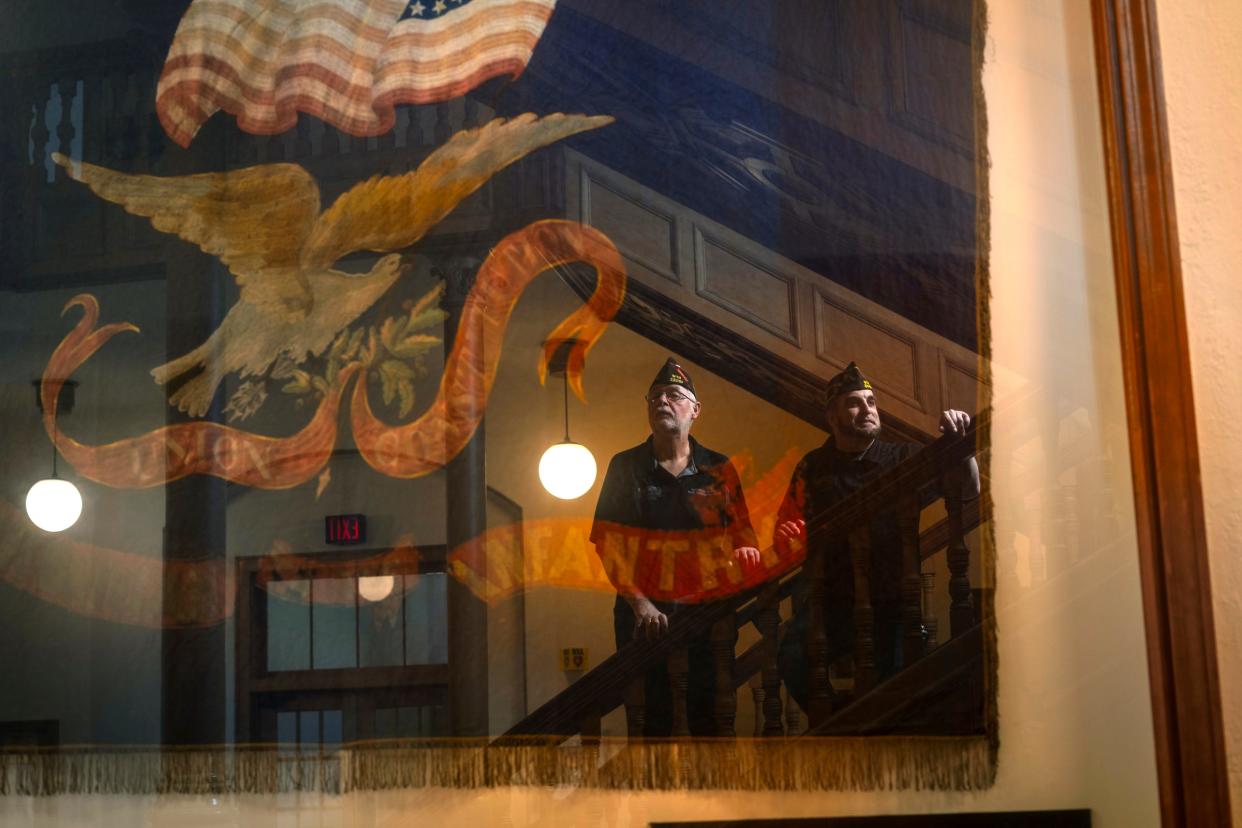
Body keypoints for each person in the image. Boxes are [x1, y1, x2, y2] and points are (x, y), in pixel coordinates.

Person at [774, 361, 979, 710]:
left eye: (871, 401)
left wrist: (964, 447)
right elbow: (784, 531)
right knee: (792, 658)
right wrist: (788, 533)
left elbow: (968, 491)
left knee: (894, 696)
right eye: (854, 402)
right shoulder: (813, 466)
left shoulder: (902, 457)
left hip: (892, 599)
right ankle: (839, 728)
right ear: (832, 416)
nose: (867, 409)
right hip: (831, 598)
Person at [590, 357, 760, 737]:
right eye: (655, 397)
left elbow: (743, 533)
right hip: (644, 618)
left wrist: (745, 553)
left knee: (710, 715)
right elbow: (608, 545)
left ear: (695, 410)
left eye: (674, 395)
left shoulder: (718, 467)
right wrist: (640, 604)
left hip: (706, 615)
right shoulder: (626, 467)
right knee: (652, 720)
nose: (662, 402)